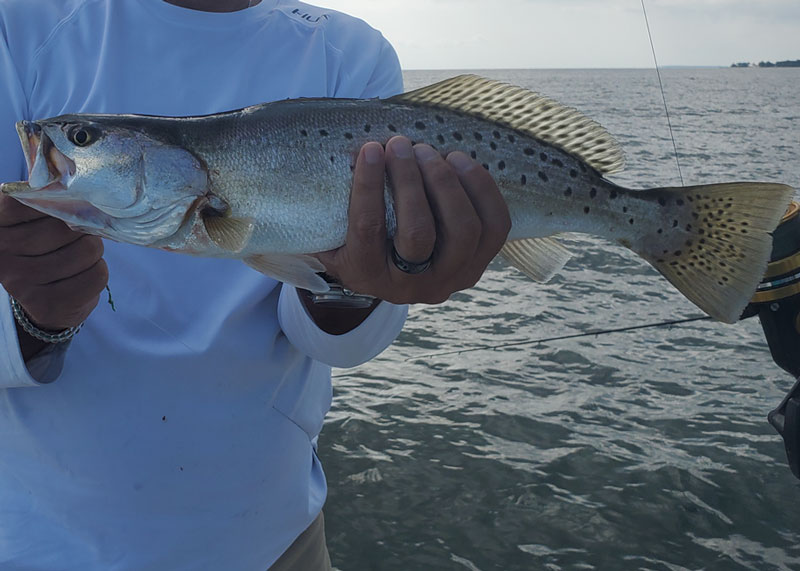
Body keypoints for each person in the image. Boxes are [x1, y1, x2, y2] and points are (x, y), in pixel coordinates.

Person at [0, 0, 510, 568]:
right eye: (82, 136)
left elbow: (335, 343)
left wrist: (354, 284)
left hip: (273, 539)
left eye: (80, 137)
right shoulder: (16, 26)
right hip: (32, 541)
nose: (55, 148)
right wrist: (30, 317)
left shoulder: (349, 52)